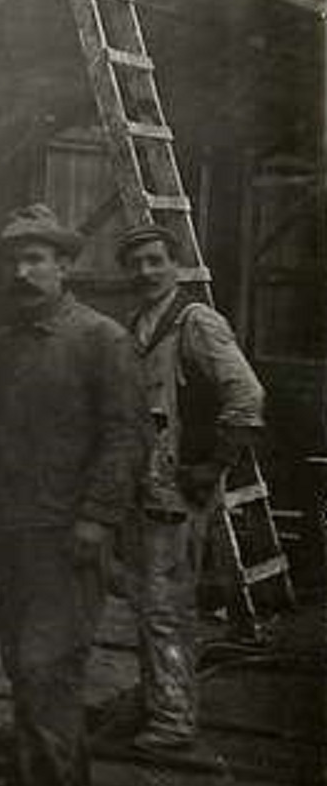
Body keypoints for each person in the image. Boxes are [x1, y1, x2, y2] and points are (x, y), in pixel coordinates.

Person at [0, 205, 149, 786]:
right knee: (27, 674)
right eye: (13, 261)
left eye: (35, 260)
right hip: (14, 533)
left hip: (68, 538)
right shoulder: (4, 347)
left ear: (64, 266)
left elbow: (127, 436)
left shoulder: (102, 340)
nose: (21, 272)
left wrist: (96, 518)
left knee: (47, 673)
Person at [115, 223, 265, 755]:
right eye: (135, 263)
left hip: (176, 493)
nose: (146, 271)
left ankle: (174, 721)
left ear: (175, 265)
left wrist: (214, 466)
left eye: (156, 260)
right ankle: (160, 702)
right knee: (148, 605)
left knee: (166, 609)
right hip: (144, 491)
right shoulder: (139, 326)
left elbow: (247, 396)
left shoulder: (195, 322)